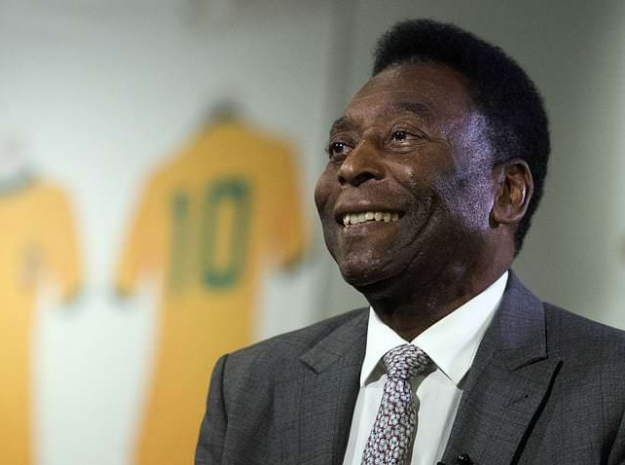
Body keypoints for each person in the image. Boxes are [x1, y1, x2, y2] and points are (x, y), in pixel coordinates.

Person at [195, 19, 625, 465]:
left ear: (506, 192)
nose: (351, 166)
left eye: (401, 136)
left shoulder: (611, 389)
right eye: (339, 146)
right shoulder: (248, 388)